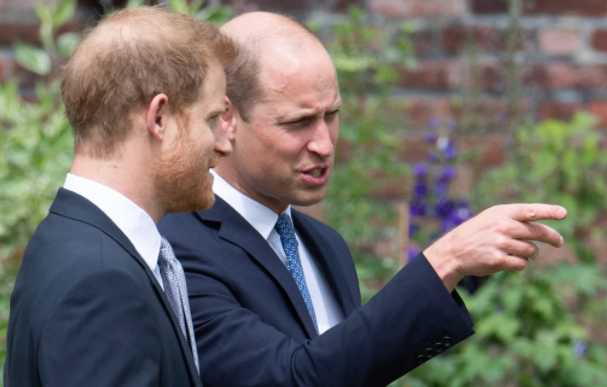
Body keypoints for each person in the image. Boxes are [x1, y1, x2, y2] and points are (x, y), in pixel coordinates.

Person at [159, 11, 567, 387]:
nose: (323, 144)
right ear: (226, 121)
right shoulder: (177, 247)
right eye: (298, 122)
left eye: (331, 115)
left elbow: (348, 370)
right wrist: (444, 262)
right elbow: (291, 379)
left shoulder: (323, 245)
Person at [4, 6, 236, 387]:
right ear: (159, 118)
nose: (224, 144)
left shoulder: (75, 243)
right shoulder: (100, 282)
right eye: (211, 119)